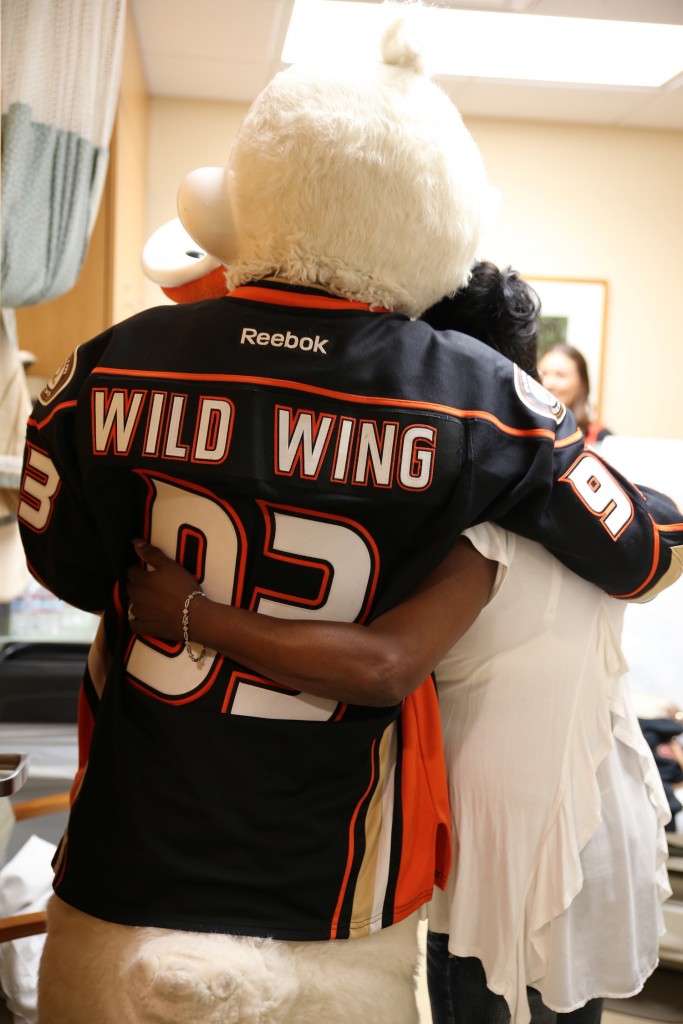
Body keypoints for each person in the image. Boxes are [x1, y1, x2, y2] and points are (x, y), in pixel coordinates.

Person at [17, 6, 682, 1020]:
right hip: (328, 880)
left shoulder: (117, 358)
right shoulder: (473, 394)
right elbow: (641, 552)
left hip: (131, 851)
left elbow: (62, 565)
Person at [125, 262, 673, 1024]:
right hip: (592, 805)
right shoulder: (579, 493)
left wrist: (192, 613)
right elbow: (656, 539)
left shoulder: (481, 518)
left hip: (514, 847)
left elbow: (385, 667)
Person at [537, 342, 611, 445]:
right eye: (543, 374)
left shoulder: (600, 438)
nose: (548, 384)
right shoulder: (524, 432)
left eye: (561, 375)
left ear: (582, 384)